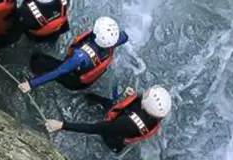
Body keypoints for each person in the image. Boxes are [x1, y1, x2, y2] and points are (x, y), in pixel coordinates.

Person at [43, 86, 172, 153]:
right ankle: (87, 96)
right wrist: (131, 96)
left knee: (105, 132)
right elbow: (140, 103)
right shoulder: (154, 114)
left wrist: (62, 125)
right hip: (124, 118)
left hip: (114, 137)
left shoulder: (126, 124)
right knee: (99, 100)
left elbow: (95, 128)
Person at [18, 16, 127, 93]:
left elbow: (58, 72)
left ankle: (33, 72)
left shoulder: (80, 56)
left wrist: (31, 84)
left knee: (38, 60)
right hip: (89, 77)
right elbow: (125, 37)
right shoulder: (112, 41)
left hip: (74, 80)